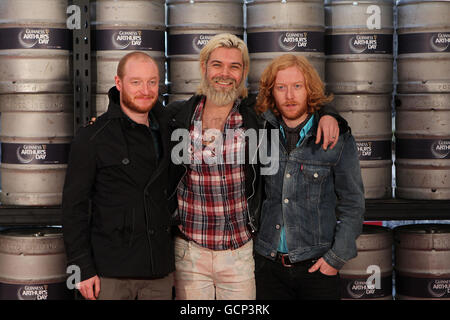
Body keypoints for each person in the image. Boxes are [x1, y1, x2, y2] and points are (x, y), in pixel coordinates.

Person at [166, 33, 344, 300]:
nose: (224, 73)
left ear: (244, 72)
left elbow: (297, 102)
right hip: (190, 254)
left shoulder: (257, 116)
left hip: (239, 254)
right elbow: (137, 119)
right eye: (217, 65)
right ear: (203, 67)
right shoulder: (177, 116)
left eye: (234, 66)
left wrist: (330, 115)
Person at [62, 52, 174, 300]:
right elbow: (74, 208)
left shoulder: (169, 128)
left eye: (152, 82)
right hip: (110, 275)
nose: (145, 90)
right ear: (119, 83)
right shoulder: (92, 137)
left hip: (160, 272)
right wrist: (82, 267)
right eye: (136, 82)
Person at [253, 54, 365, 300]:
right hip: (267, 266)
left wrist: (335, 259)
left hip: (317, 269)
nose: (290, 96)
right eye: (281, 87)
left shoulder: (337, 138)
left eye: (297, 86)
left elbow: (353, 204)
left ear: (309, 89)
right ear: (272, 92)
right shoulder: (260, 131)